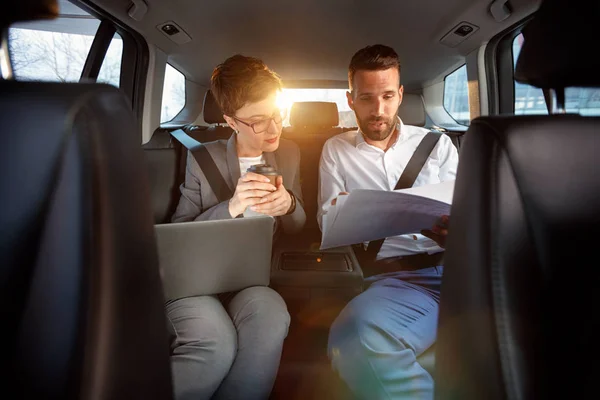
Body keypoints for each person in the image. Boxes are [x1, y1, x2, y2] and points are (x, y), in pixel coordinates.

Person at [317, 44, 458, 399]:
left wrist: (456, 230)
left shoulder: (437, 144)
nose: (378, 110)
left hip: (460, 269)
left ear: (400, 96)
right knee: (354, 336)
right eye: (366, 98)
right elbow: (328, 223)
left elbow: (466, 210)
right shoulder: (336, 150)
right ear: (350, 100)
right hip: (399, 281)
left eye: (387, 96)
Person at [167, 55, 306, 400]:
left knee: (270, 316)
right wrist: (231, 206)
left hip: (251, 281)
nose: (275, 129)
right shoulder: (202, 157)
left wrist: (288, 204)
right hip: (196, 284)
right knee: (214, 343)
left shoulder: (289, 153)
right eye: (259, 121)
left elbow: (299, 226)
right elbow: (180, 232)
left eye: (278, 115)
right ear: (230, 120)